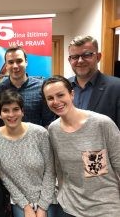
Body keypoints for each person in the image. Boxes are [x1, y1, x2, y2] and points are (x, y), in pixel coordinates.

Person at [42, 75, 120, 217]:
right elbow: (59, 170)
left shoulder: (102, 123)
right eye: (50, 98)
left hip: (106, 208)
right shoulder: (53, 130)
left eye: (60, 95)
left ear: (72, 94)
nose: (56, 101)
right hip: (70, 208)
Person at [0, 89, 56, 217]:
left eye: (16, 109)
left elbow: (51, 170)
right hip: (18, 200)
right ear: (0, 114)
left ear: (22, 112)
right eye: (6, 110)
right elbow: (3, 176)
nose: (11, 114)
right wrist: (25, 205)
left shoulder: (40, 133)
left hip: (47, 196)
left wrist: (43, 206)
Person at [0, 46, 55, 127]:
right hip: (6, 138)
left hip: (35, 139)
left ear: (26, 62)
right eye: (11, 62)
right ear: (6, 65)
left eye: (19, 61)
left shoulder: (41, 88)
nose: (15, 66)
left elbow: (48, 122)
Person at [68, 35, 120, 129]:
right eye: (75, 57)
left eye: (87, 55)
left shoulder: (116, 87)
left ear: (98, 57)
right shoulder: (65, 86)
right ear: (69, 60)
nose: (80, 61)